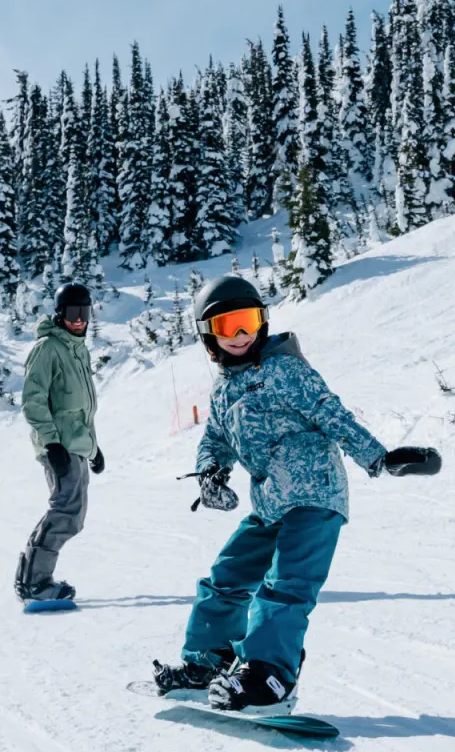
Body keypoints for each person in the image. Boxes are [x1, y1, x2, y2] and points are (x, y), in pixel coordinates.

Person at [152, 276, 439, 713]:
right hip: (269, 505)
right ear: (209, 334)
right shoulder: (223, 389)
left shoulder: (286, 370)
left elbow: (332, 414)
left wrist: (379, 458)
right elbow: (215, 437)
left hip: (315, 497)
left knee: (286, 586)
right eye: (229, 326)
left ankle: (269, 677)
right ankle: (209, 664)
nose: (241, 335)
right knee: (225, 578)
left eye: (248, 322)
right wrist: (211, 470)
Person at [15, 283, 106, 604]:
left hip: (77, 446)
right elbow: (33, 400)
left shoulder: (77, 349)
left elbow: (79, 409)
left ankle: (30, 577)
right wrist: (51, 444)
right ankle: (35, 583)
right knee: (66, 512)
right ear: (60, 313)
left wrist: (94, 450)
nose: (79, 319)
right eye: (72, 313)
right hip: (60, 448)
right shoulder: (48, 348)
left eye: (84, 313)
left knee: (72, 515)